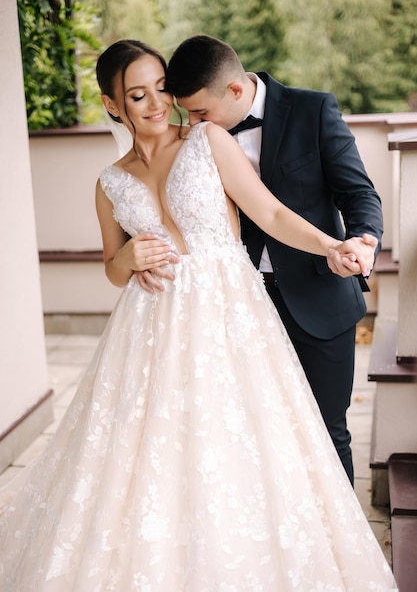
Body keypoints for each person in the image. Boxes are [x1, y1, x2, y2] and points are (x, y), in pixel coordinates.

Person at [0, 40, 396, 591]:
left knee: (245, 441)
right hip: (151, 325)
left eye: (162, 88)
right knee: (155, 453)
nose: (158, 103)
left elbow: (271, 211)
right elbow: (113, 269)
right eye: (138, 95)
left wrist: (331, 245)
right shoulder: (109, 181)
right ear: (113, 105)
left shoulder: (208, 140)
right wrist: (126, 258)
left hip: (230, 314)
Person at [150, 34, 385, 486]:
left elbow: (357, 192)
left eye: (201, 112)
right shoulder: (194, 139)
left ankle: (340, 552)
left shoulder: (313, 110)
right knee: (251, 436)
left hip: (319, 296)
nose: (194, 123)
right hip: (237, 308)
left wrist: (363, 240)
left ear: (235, 91)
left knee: (326, 431)